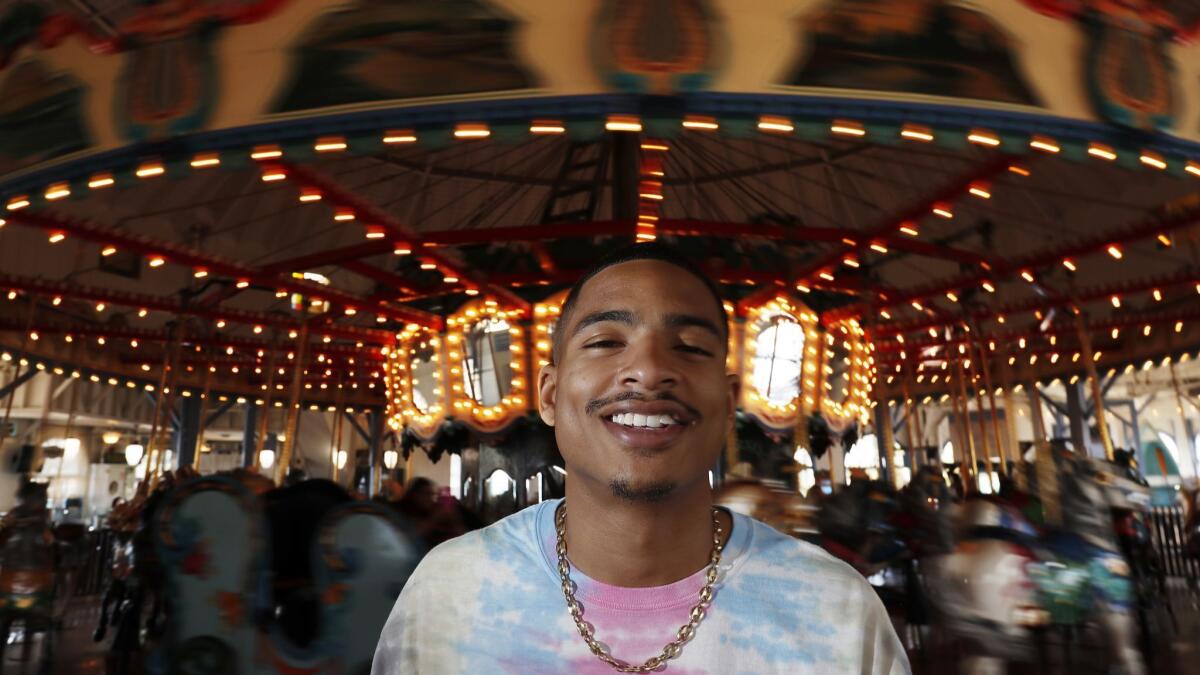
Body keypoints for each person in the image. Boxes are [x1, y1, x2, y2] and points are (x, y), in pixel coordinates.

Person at [372, 244, 909, 674]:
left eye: (691, 347)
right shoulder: (447, 592)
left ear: (726, 402)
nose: (649, 370)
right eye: (606, 341)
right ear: (550, 396)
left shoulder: (835, 610)